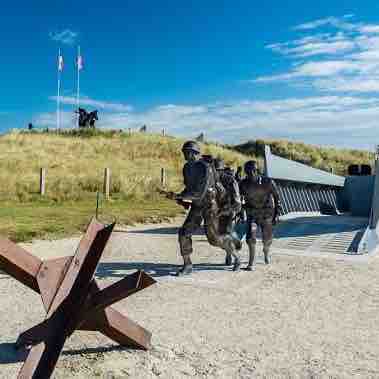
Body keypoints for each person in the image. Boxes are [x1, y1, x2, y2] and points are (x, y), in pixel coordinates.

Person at [172, 142, 241, 276]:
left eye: (188, 151)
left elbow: (200, 192)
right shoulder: (186, 168)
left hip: (210, 206)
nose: (185, 154)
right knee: (184, 233)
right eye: (184, 151)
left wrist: (181, 195)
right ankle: (188, 265)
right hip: (197, 206)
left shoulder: (205, 167)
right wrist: (179, 196)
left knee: (214, 239)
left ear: (195, 153)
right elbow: (189, 188)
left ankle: (236, 256)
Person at [239, 160, 281, 271]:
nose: (250, 174)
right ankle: (251, 263)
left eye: (252, 171)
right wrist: (241, 211)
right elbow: (239, 198)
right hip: (252, 214)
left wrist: (277, 214)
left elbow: (277, 198)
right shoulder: (243, 184)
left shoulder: (268, 182)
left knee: (267, 240)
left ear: (257, 171)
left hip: (267, 214)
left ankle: (266, 252)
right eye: (247, 172)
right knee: (250, 238)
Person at [214, 158, 242, 265]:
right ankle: (229, 252)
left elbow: (237, 203)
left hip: (228, 211)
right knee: (220, 236)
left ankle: (235, 256)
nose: (214, 172)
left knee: (225, 234)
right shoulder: (211, 180)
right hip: (216, 212)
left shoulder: (231, 181)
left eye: (216, 170)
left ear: (221, 170)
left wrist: (226, 211)